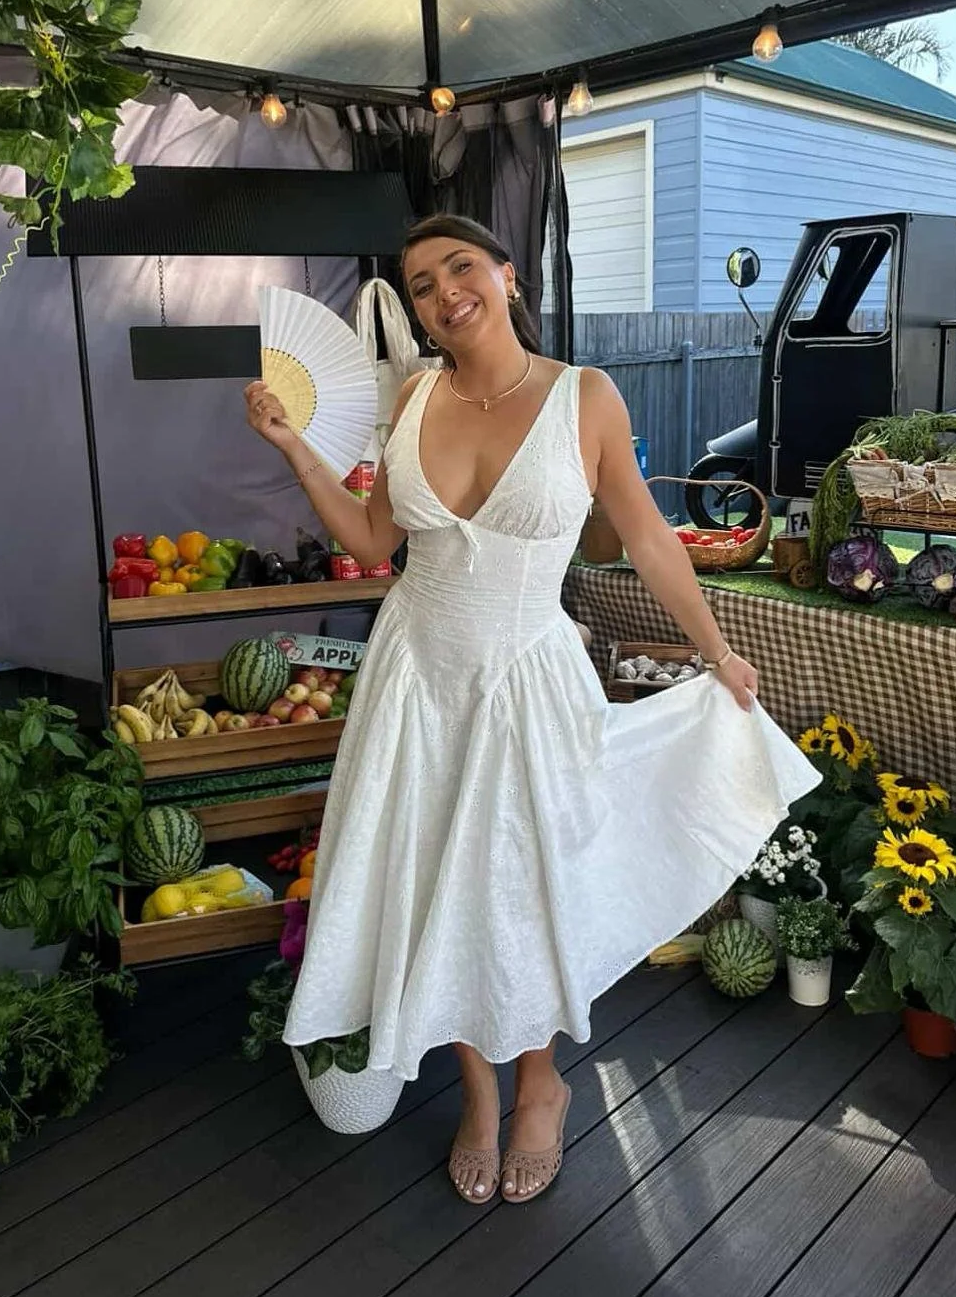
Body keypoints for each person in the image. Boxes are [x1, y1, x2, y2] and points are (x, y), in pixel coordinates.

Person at [244, 214, 817, 1206]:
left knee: (528, 881)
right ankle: (476, 1094)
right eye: (420, 283)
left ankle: (540, 1084)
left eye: (459, 267)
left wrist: (718, 651)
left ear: (507, 276)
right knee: (437, 883)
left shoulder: (583, 395)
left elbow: (644, 537)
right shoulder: (413, 395)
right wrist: (294, 445)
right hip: (416, 679)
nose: (442, 292)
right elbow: (375, 541)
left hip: (527, 677)